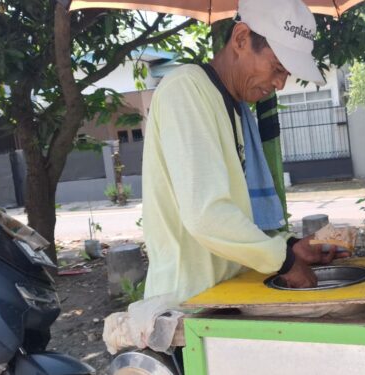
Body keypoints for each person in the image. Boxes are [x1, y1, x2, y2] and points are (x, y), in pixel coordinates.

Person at [140, 0, 341, 303]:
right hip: (187, 303)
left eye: (286, 74)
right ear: (241, 39)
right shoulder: (185, 90)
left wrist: (288, 246)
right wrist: (284, 262)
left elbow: (234, 212)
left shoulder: (233, 107)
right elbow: (206, 215)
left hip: (225, 293)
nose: (279, 83)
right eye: (277, 68)